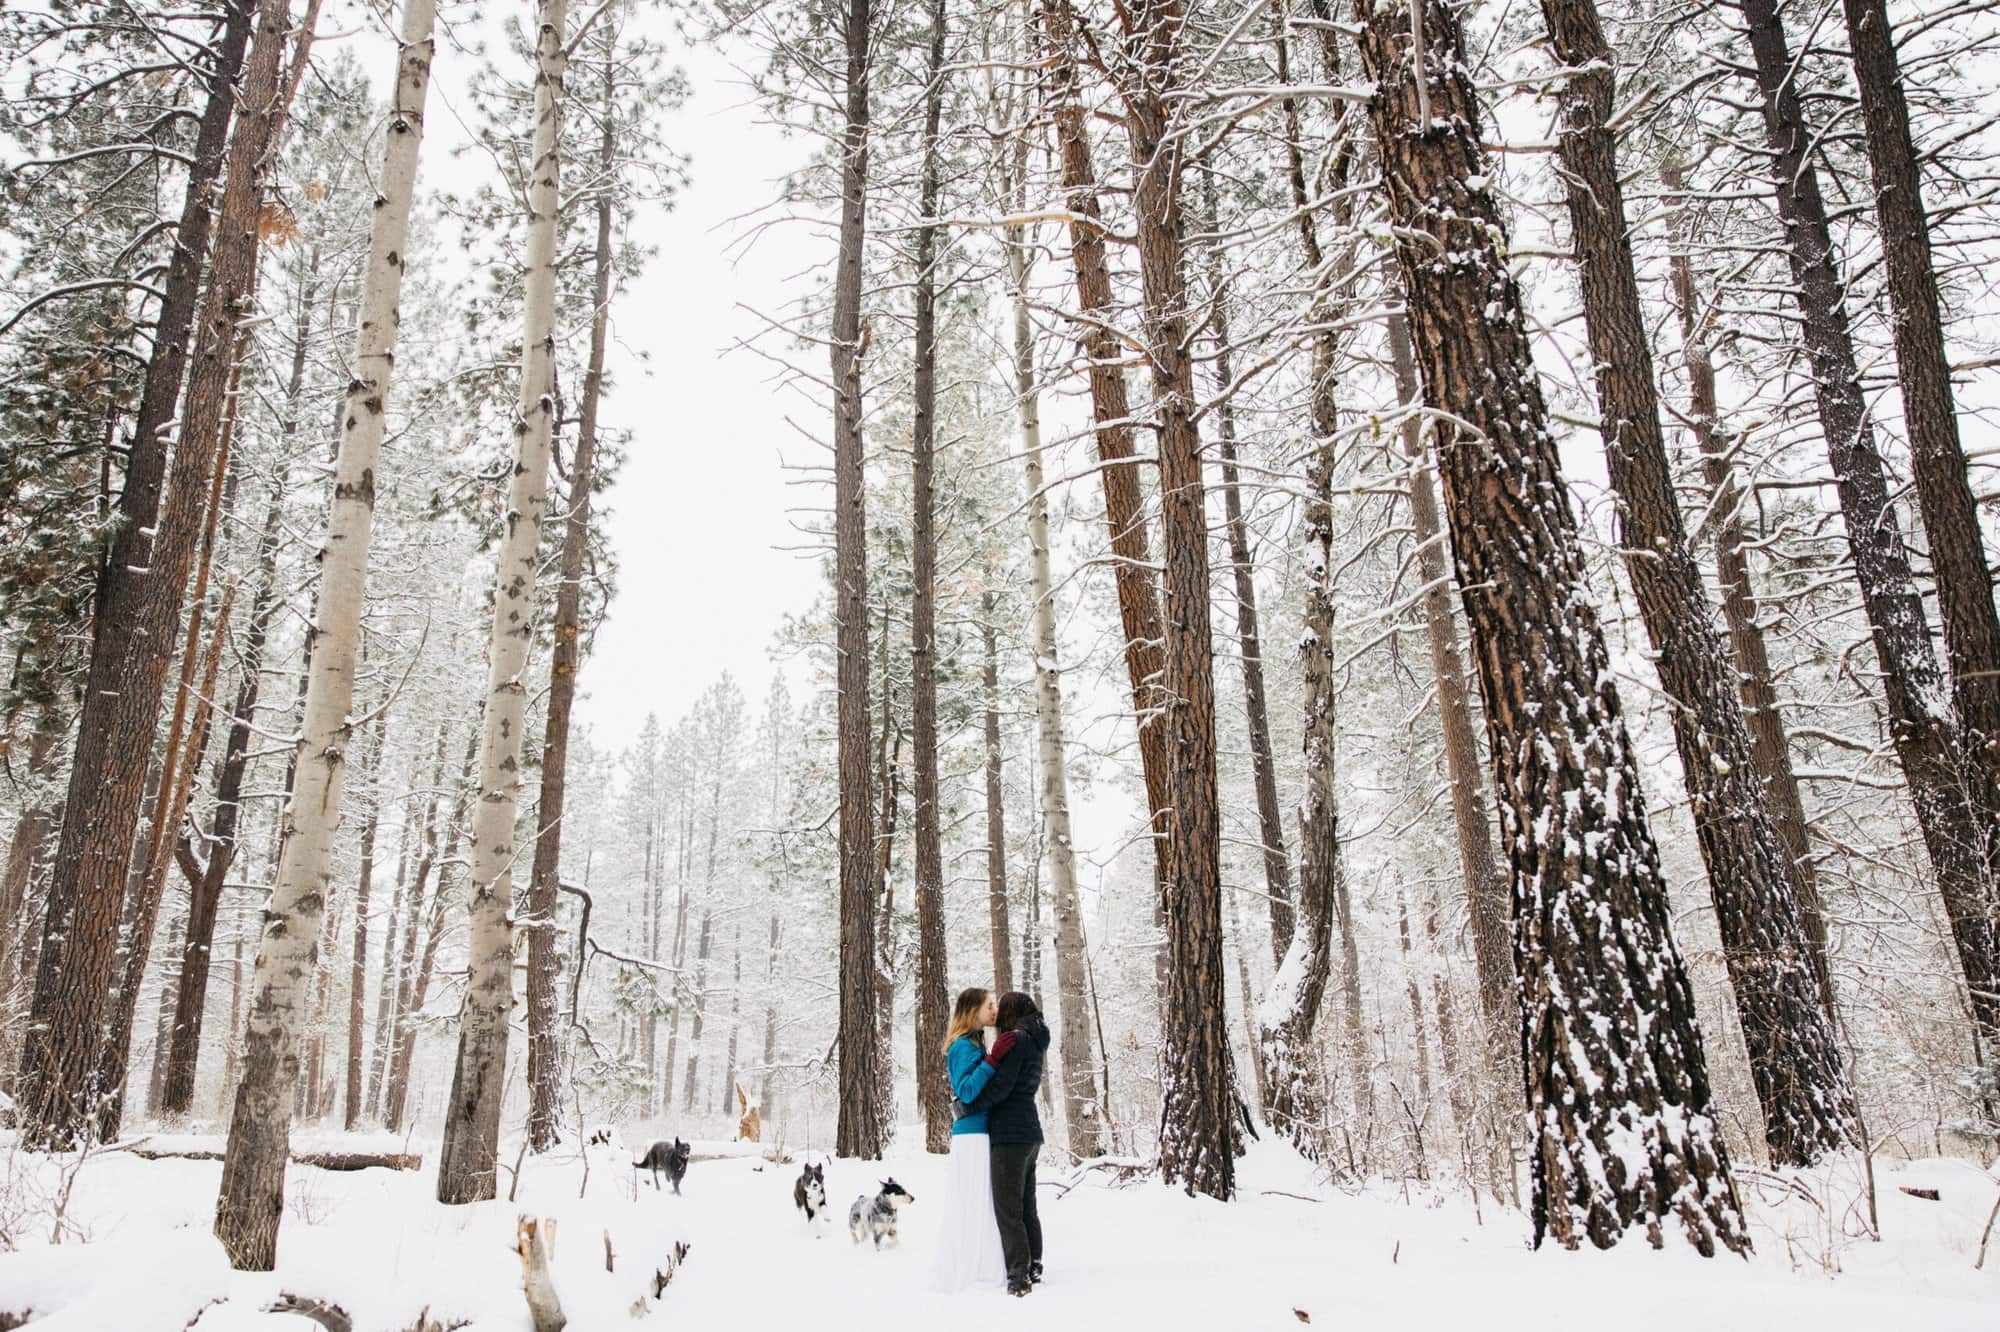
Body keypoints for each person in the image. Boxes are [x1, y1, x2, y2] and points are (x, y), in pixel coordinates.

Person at [927, 987, 1017, 1291]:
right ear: (972, 1011)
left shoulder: (973, 1044)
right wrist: (992, 1060)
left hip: (979, 1131)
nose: (994, 1011)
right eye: (989, 1006)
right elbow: (966, 1090)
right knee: (976, 1199)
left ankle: (981, 1262)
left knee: (981, 1199)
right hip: (973, 1134)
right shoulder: (963, 1047)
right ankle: (973, 1267)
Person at [964, 991, 1049, 1297]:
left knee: (1008, 1208)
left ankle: (1018, 1276)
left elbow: (1001, 1088)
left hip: (1010, 1135)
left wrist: (967, 1107)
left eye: (1002, 1007)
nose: (997, 1013)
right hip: (1030, 1131)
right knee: (1027, 1206)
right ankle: (1034, 1265)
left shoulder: (1016, 1041)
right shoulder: (1036, 1040)